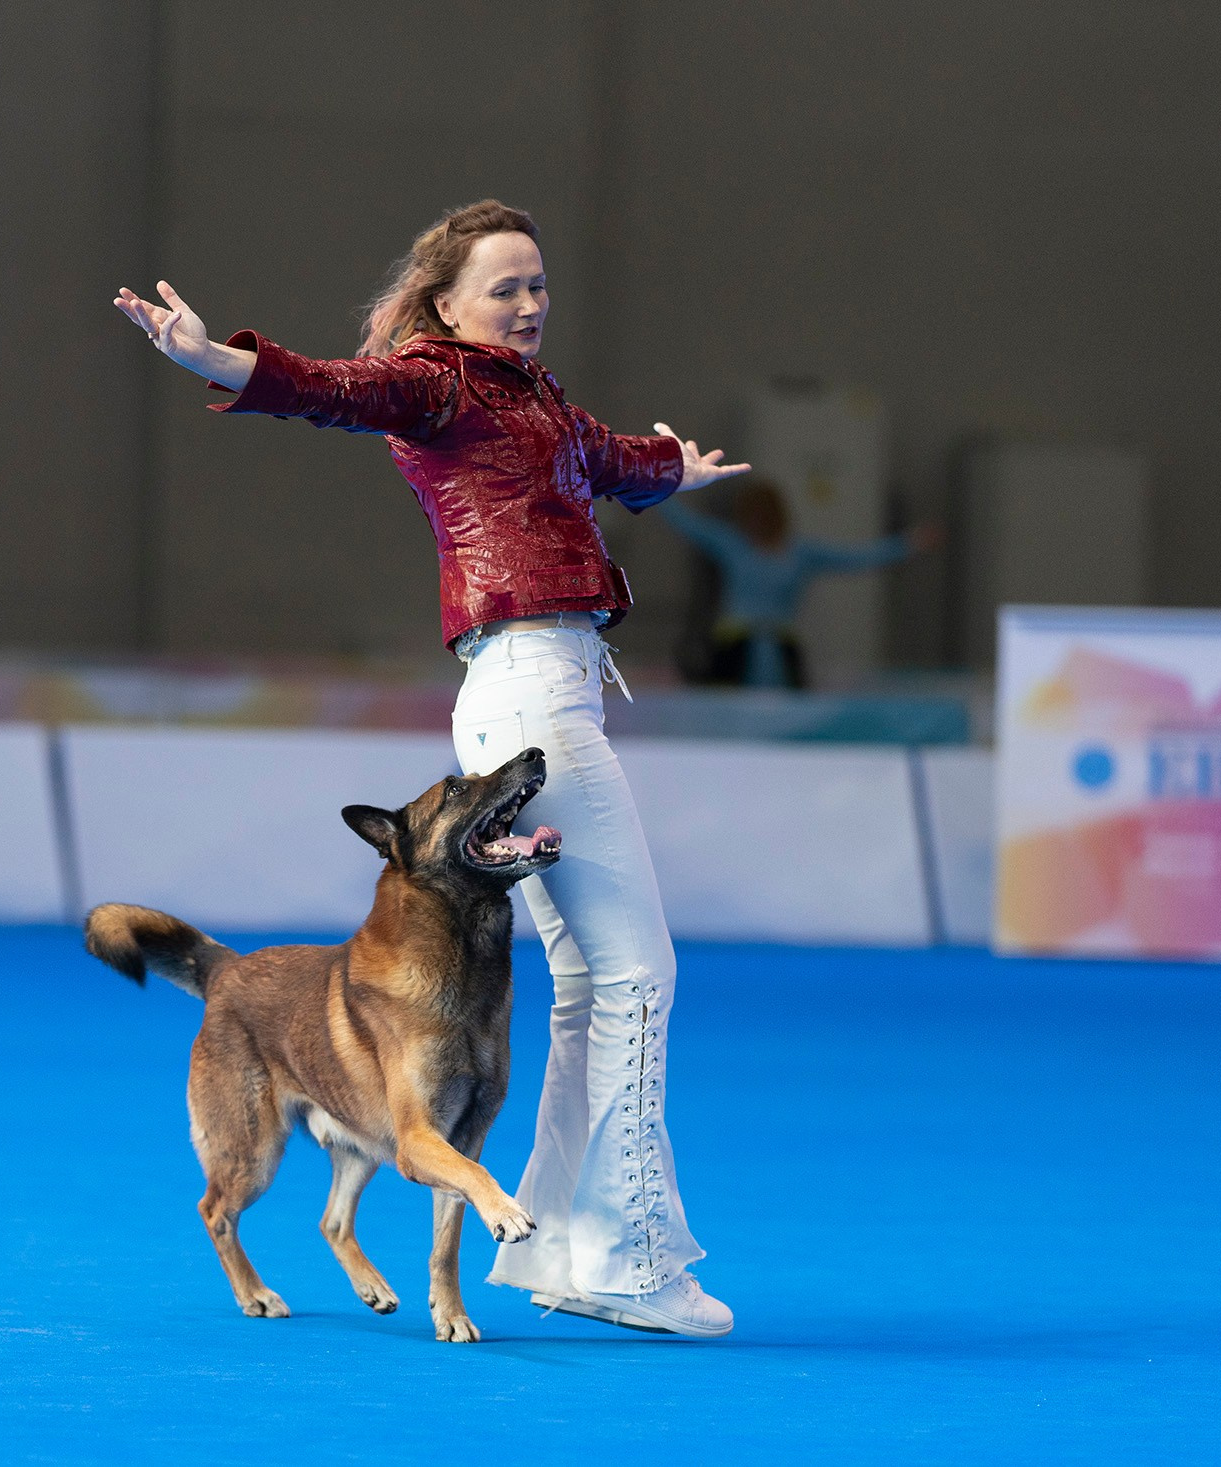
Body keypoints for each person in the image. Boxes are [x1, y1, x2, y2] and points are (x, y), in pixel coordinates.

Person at [115, 199, 749, 1338]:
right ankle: (631, 1259)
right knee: (637, 977)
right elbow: (335, 391)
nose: (528, 305)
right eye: (504, 287)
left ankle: (563, 1248)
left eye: (538, 285)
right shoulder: (434, 377)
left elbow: (607, 459)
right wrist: (220, 359)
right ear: (444, 302)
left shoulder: (531, 393)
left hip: (536, 685)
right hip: (532, 698)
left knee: (594, 990)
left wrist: (673, 469)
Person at [663, 481, 939, 688]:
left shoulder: (800, 552)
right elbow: (686, 522)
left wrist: (908, 544)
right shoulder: (732, 543)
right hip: (734, 647)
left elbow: (857, 557)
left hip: (782, 647)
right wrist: (640, 481)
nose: (757, 522)